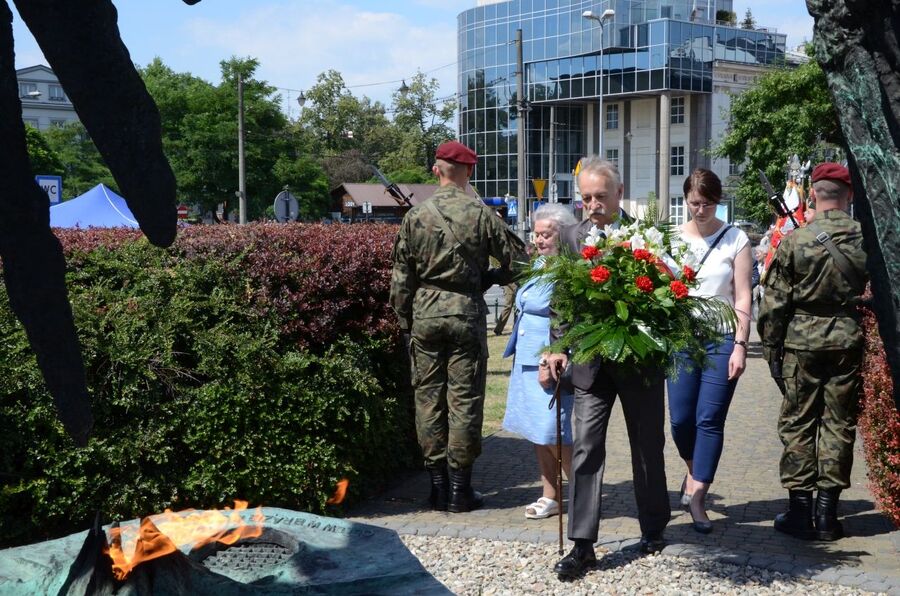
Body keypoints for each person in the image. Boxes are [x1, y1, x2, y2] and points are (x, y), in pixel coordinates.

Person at [546, 157, 670, 578]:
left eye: (601, 196)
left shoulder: (646, 236)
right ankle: (582, 545)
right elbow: (560, 297)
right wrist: (557, 346)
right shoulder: (568, 237)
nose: (593, 205)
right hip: (589, 364)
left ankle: (654, 527)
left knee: (648, 446)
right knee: (585, 449)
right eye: (586, 198)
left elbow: (667, 292)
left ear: (619, 194)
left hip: (638, 361)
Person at [390, 140, 527, 514]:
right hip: (466, 312)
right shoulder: (483, 216)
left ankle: (436, 489)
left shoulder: (415, 217)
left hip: (425, 314)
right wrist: (486, 278)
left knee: (428, 400)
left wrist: (405, 323)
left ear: (436, 171)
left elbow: (401, 278)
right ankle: (460, 492)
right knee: (464, 401)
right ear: (471, 172)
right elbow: (521, 263)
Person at [758, 162, 867, 541]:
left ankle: (800, 512)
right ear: (848, 194)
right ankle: (828, 515)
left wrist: (772, 350)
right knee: (839, 423)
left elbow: (773, 305)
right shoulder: (865, 238)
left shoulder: (796, 240)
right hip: (847, 340)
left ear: (813, 194)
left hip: (801, 342)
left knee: (799, 423)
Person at [667, 169, 752, 534]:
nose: (700, 209)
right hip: (682, 339)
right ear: (685, 199)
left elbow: (743, 295)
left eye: (707, 203)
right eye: (694, 202)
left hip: (720, 339)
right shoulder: (670, 239)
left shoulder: (736, 238)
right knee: (681, 420)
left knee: (709, 419)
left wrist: (741, 345)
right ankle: (692, 469)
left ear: (718, 201)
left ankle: (699, 495)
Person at [501, 204, 577, 519]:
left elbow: (566, 318)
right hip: (526, 357)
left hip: (550, 359)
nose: (540, 239)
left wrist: (554, 356)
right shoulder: (540, 264)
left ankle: (584, 491)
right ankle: (551, 495)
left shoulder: (570, 268)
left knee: (553, 432)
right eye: (537, 234)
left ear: (564, 234)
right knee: (536, 431)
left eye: (547, 234)